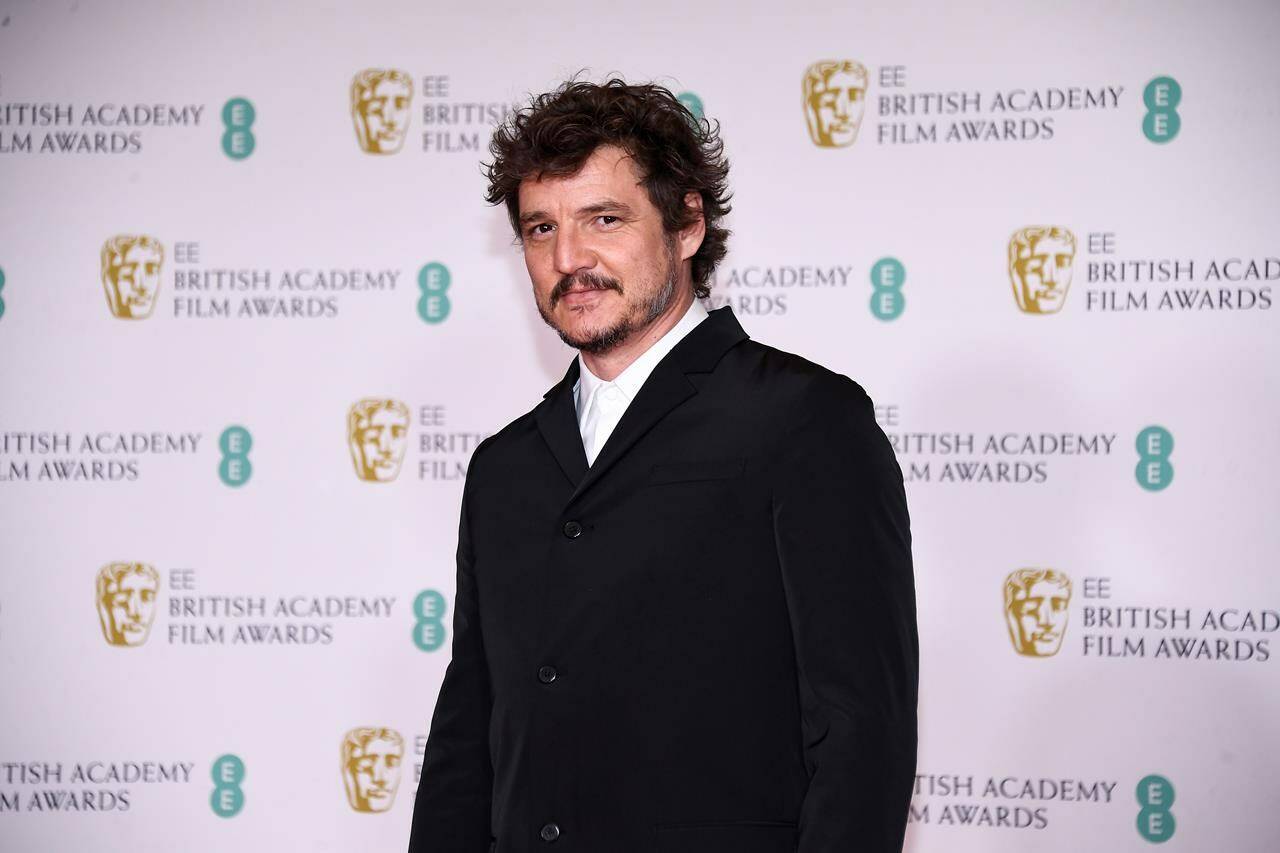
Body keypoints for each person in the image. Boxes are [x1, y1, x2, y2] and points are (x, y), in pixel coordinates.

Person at [408, 78, 918, 853]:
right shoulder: (503, 468)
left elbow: (861, 733)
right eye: (540, 229)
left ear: (686, 225)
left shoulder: (805, 421)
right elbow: (468, 732)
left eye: (602, 220)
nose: (568, 258)